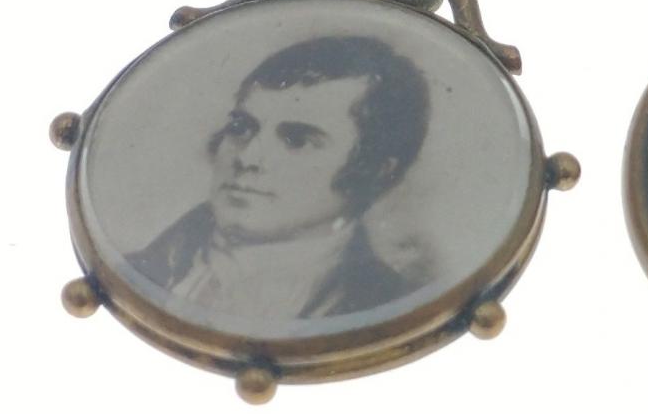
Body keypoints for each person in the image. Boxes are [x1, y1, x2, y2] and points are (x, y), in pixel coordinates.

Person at [126, 35, 431, 320]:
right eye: (241, 128)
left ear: (375, 170)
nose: (247, 158)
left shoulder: (393, 307)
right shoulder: (136, 272)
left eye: (296, 140)